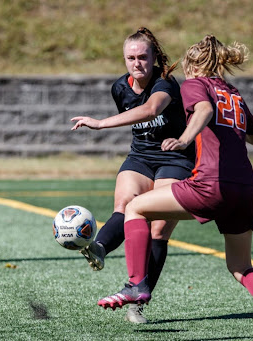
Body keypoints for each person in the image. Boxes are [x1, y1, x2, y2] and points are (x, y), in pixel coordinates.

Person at [96, 35, 253, 341]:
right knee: (241, 266)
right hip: (245, 189)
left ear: (191, 64)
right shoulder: (233, 92)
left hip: (210, 184)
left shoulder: (193, 85)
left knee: (135, 207)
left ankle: (137, 283)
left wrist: (185, 139)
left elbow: (203, 111)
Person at [70, 27, 195, 324]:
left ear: (153, 59)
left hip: (175, 157)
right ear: (124, 60)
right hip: (140, 156)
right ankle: (99, 247)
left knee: (159, 228)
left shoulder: (165, 83)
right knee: (125, 204)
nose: (137, 63)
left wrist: (100, 124)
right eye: (130, 58)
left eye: (142, 57)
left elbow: (151, 110)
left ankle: (138, 300)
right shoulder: (119, 88)